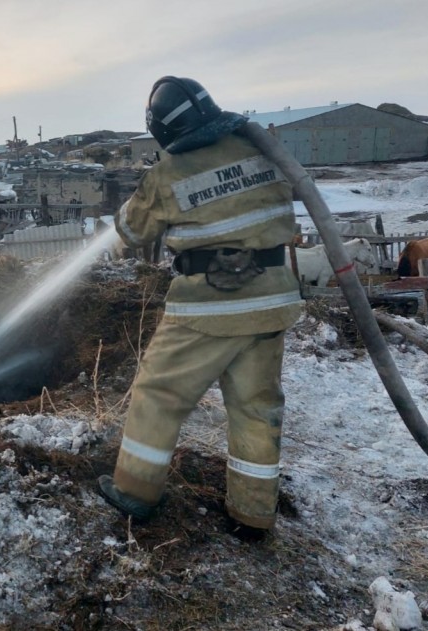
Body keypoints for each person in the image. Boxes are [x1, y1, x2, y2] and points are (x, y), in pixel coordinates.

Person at [98, 76, 304, 535]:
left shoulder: (169, 174)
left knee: (159, 393)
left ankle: (134, 492)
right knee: (256, 406)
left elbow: (132, 233)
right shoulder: (261, 150)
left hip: (209, 304)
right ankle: (253, 515)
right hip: (271, 298)